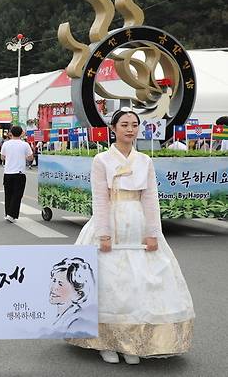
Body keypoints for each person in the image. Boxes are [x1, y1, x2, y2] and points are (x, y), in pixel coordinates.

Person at [67, 108, 194, 364]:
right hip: (111, 220)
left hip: (137, 220)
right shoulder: (101, 160)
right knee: (109, 282)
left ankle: (133, 342)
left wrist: (153, 232)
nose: (130, 129)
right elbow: (99, 199)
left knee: (141, 282)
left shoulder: (145, 160)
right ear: (113, 128)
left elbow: (150, 198)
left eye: (134, 124)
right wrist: (103, 233)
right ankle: (106, 342)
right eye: (124, 124)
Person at [49, 257, 96, 336]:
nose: (53, 287)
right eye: (54, 280)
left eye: (60, 284)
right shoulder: (56, 317)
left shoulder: (76, 321)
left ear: (78, 294)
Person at [0, 125, 34, 223]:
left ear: (11, 133)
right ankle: (12, 214)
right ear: (22, 133)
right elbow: (30, 158)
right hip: (19, 173)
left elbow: (2, 157)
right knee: (17, 194)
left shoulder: (6, 144)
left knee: (8, 194)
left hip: (8, 172)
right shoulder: (25, 144)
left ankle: (8, 214)